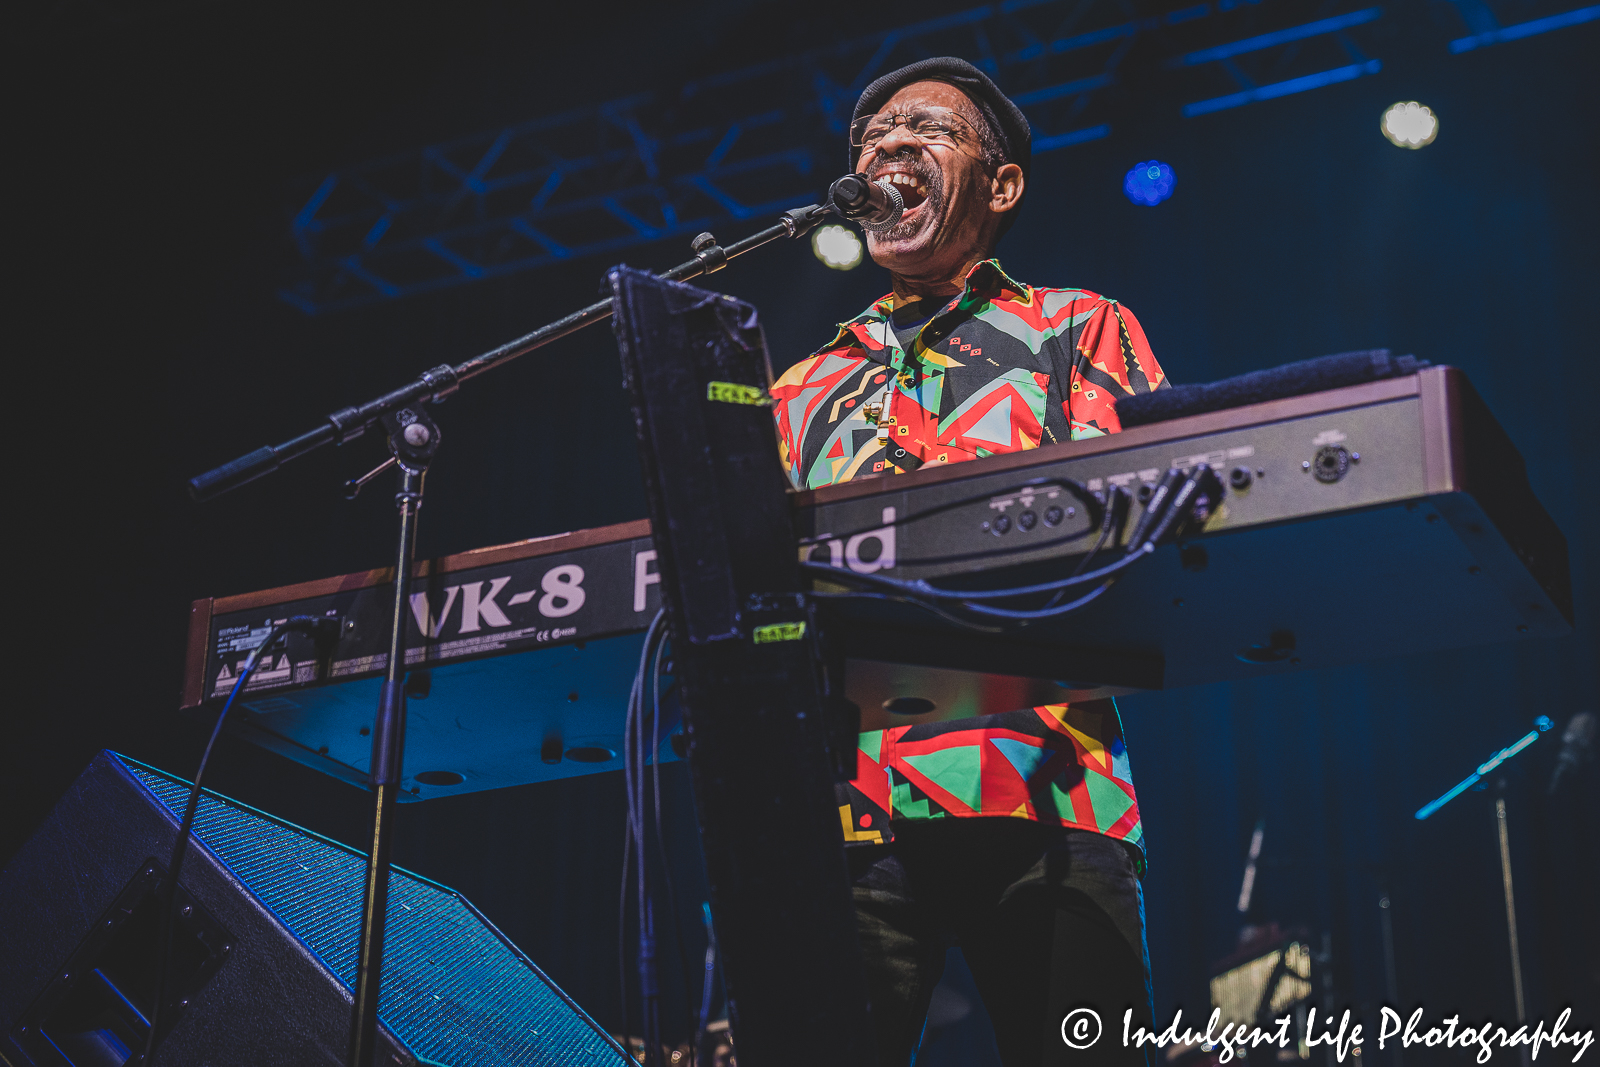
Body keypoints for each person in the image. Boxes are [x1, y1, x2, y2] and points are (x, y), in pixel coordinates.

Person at [769, 58, 1168, 1067]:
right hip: (841, 803)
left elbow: (1143, 534)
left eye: (927, 130)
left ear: (999, 186)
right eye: (873, 136)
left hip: (1044, 777)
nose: (889, 144)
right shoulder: (798, 388)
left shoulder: (1079, 328)